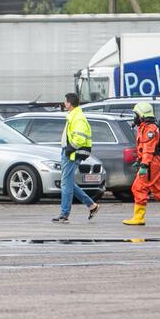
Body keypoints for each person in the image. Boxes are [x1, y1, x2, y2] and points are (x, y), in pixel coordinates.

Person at [52, 93, 100, 222]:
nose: (64, 104)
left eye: (65, 102)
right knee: (68, 183)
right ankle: (91, 205)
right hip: (69, 152)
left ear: (70, 103)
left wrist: (69, 149)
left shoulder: (78, 117)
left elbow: (79, 137)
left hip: (72, 153)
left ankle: (64, 213)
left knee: (65, 184)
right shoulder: (74, 115)